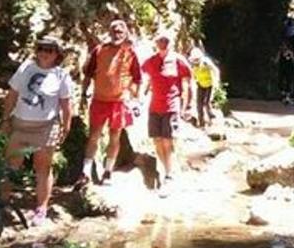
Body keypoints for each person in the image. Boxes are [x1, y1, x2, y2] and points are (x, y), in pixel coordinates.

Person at [1, 36, 73, 225]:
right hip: (20, 124)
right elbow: (12, 94)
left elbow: (66, 104)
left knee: (42, 168)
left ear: (57, 54)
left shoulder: (61, 75)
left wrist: (66, 127)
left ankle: (41, 208)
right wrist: (5, 120)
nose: (44, 53)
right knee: (11, 164)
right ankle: (2, 203)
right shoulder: (26, 67)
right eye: (41, 48)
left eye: (49, 50)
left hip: (45, 127)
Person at [80, 18, 142, 185]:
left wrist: (136, 101)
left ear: (126, 34)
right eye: (114, 31)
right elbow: (88, 73)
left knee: (115, 137)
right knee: (94, 136)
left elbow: (137, 78)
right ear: (109, 32)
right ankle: (85, 172)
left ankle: (108, 172)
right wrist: (83, 93)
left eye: (120, 32)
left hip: (119, 102)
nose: (117, 34)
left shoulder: (130, 53)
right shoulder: (99, 50)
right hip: (99, 99)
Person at [141, 33, 191, 191]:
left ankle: (169, 174)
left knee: (167, 140)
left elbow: (188, 84)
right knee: (157, 140)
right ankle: (165, 169)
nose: (162, 43)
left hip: (171, 106)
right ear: (155, 43)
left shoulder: (178, 60)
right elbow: (139, 74)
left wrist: (187, 106)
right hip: (154, 106)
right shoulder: (151, 61)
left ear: (171, 43)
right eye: (159, 41)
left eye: (166, 41)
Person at [187, 47, 220, 128]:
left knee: (206, 102)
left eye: (197, 60)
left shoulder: (206, 62)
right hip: (200, 84)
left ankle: (211, 118)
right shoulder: (192, 64)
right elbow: (192, 75)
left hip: (209, 84)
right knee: (199, 104)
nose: (196, 62)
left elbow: (215, 70)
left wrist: (216, 81)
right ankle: (201, 123)